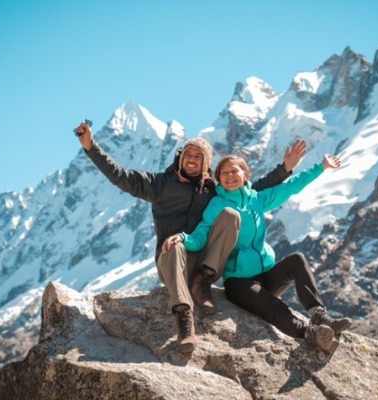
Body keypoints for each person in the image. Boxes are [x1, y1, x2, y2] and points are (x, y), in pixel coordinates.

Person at [74, 120, 307, 353]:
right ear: (180, 157)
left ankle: (202, 283)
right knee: (175, 245)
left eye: (198, 156)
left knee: (230, 214)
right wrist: (90, 146)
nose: (192, 159)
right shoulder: (159, 184)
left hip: (203, 260)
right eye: (188, 154)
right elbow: (120, 176)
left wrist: (284, 169)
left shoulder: (213, 189)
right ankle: (185, 320)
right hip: (171, 260)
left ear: (206, 164)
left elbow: (251, 189)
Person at [163, 152, 352, 353]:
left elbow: (291, 186)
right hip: (239, 282)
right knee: (273, 306)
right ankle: (311, 334)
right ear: (218, 179)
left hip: (267, 275)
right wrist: (183, 238)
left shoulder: (257, 199)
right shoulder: (217, 204)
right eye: (224, 173)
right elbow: (201, 235)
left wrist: (320, 167)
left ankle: (319, 315)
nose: (229, 176)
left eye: (234, 171)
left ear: (245, 174)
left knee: (297, 259)